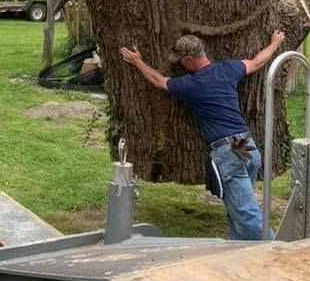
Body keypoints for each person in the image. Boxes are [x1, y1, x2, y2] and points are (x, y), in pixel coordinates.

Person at [120, 31, 285, 241]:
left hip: (227, 150)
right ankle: (240, 251)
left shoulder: (192, 84)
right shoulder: (228, 69)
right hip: (243, 143)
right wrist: (275, 43)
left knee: (245, 214)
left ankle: (278, 252)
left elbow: (158, 81)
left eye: (181, 62)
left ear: (189, 59)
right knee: (237, 207)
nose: (181, 66)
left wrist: (138, 62)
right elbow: (256, 62)